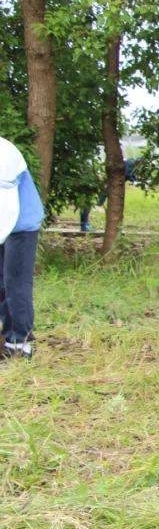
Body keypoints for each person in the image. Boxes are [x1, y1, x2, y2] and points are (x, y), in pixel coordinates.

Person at [0, 137, 44, 361]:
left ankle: (22, 343)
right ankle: (9, 339)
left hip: (21, 224)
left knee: (15, 283)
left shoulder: (4, 152)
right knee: (1, 285)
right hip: (3, 224)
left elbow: (6, 204)